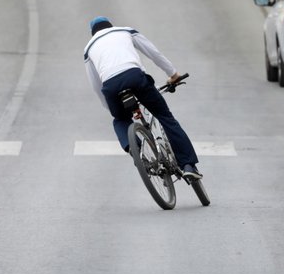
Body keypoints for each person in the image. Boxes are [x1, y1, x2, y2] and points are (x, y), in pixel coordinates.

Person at [83, 16, 202, 180]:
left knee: (120, 120)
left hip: (110, 86)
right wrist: (173, 74)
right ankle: (188, 165)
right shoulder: (124, 31)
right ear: (110, 25)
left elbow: (96, 85)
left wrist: (111, 107)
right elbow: (154, 53)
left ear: (93, 33)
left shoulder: (89, 48)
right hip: (135, 77)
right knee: (165, 117)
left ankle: (133, 147)